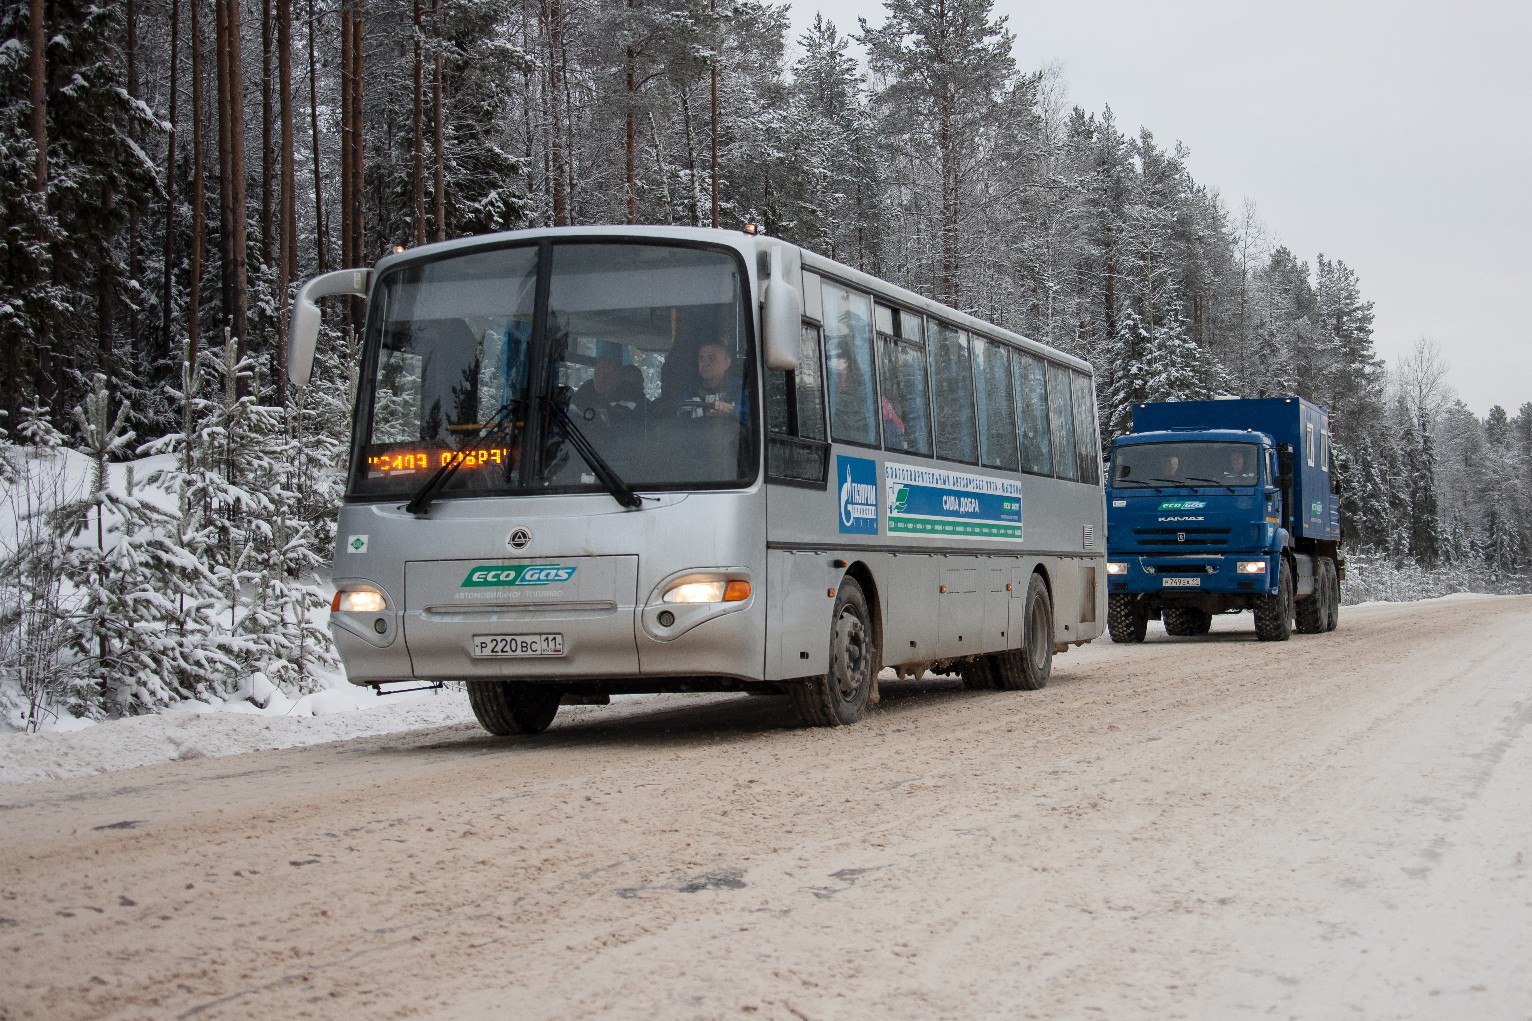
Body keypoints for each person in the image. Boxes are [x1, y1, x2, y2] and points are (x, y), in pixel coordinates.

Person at [678, 341, 747, 420]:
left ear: (726, 363)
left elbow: (752, 415)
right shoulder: (690, 394)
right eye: (701, 359)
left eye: (712, 358)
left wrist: (731, 410)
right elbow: (682, 424)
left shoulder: (741, 389)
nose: (705, 363)